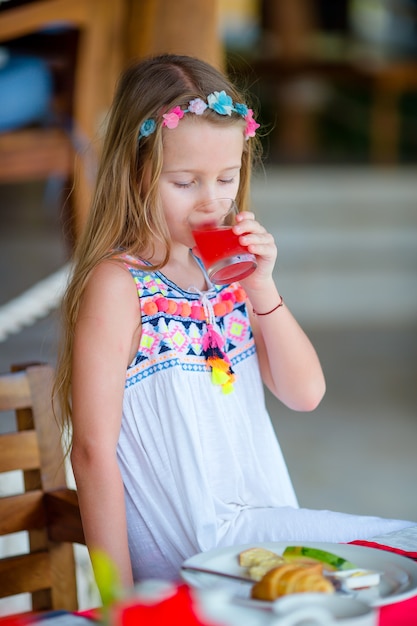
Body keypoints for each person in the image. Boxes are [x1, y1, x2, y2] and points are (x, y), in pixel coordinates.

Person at [54, 54, 414, 589]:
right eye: (185, 182)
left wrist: (261, 287)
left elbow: (305, 393)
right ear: (136, 172)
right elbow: (90, 452)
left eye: (227, 177)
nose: (212, 202)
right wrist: (119, 603)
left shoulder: (228, 273)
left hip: (259, 534)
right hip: (202, 548)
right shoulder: (120, 286)